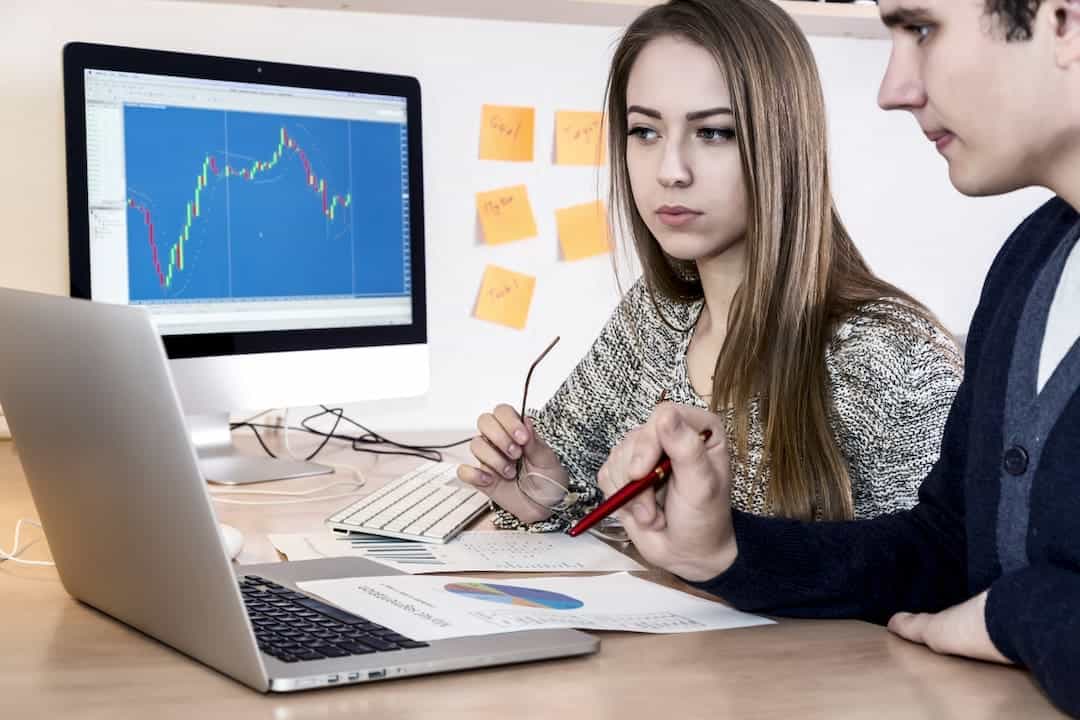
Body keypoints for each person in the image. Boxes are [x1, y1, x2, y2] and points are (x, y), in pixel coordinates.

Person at [596, 1, 1080, 715]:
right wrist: (726, 552)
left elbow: (997, 604)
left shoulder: (885, 345)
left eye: (921, 29)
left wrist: (1017, 612)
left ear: (1065, 20)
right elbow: (943, 553)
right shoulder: (1034, 262)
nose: (894, 87)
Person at [458, 0, 962, 531]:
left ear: (782, 144)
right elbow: (567, 479)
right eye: (645, 132)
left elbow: (932, 581)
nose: (670, 171)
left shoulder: (891, 358)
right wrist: (545, 494)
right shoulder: (654, 318)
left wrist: (720, 550)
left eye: (714, 132)